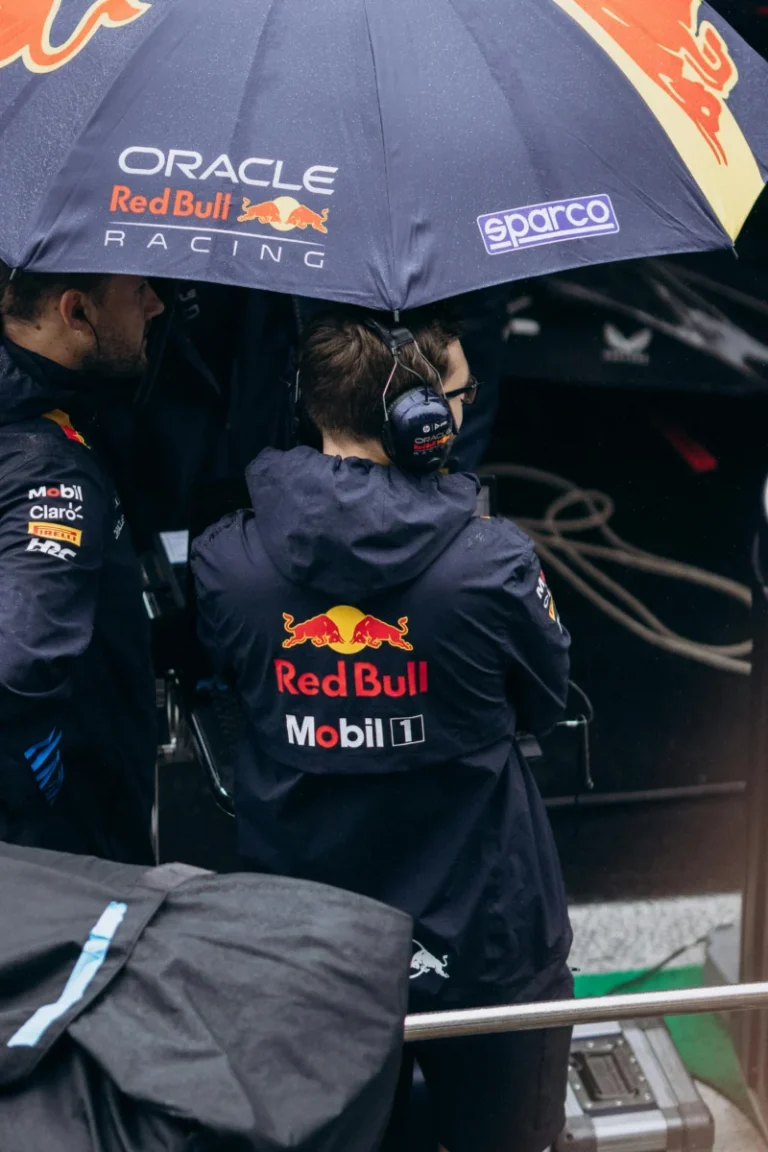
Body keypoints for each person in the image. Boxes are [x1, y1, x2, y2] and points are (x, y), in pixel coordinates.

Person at [191, 305, 573, 1152]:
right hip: (490, 937)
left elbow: (223, 688)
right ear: (423, 423)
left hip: (305, 946)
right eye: (460, 394)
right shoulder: (493, 563)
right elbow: (546, 698)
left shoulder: (224, 561)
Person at [0, 265, 164, 861]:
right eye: (138, 290)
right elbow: (16, 671)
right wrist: (43, 803)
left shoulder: (52, 396)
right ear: (77, 312)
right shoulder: (46, 467)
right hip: (72, 855)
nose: (158, 305)